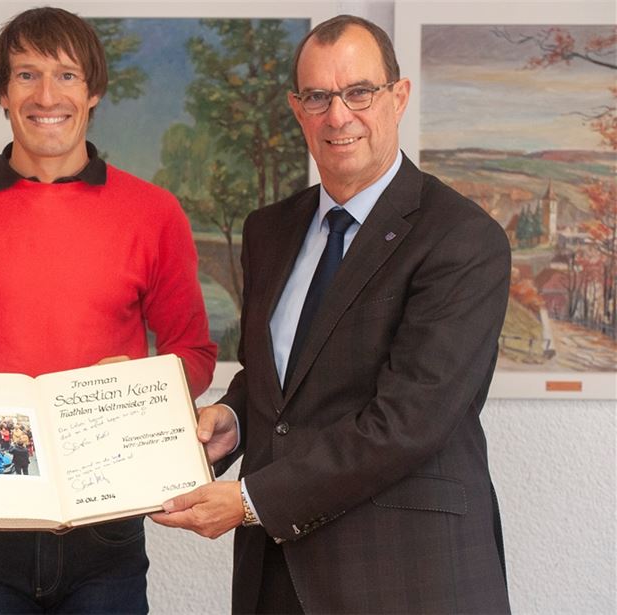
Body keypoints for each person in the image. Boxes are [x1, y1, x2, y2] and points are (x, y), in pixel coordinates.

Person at [152, 15, 512, 614]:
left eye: (359, 92)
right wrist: (234, 418)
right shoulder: (269, 231)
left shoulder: (461, 238)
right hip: (276, 577)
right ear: (298, 109)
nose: (338, 116)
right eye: (318, 97)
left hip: (405, 576)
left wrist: (249, 501)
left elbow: (408, 422)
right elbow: (282, 380)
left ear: (399, 97)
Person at [0, 6, 217, 613]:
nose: (47, 96)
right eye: (26, 75)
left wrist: (144, 383)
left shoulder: (154, 213)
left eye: (67, 75)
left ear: (94, 92)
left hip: (107, 520)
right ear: (2, 93)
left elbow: (194, 353)